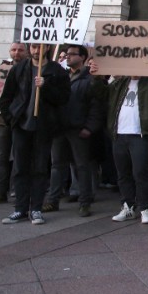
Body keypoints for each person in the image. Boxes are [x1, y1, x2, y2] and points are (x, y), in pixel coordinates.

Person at [90, 62, 148, 225]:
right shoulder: (119, 83)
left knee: (141, 172)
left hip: (140, 135)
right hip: (119, 135)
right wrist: (96, 77)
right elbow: (100, 94)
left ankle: (145, 208)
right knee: (123, 174)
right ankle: (128, 205)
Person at [0, 44, 70, 225]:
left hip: (44, 126)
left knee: (40, 168)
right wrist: (11, 118)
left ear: (47, 48)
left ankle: (36, 208)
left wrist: (45, 87)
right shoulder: (19, 69)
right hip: (22, 125)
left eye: (41, 47)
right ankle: (20, 208)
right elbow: (7, 96)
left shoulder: (57, 71)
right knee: (20, 167)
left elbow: (63, 98)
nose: (37, 51)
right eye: (33, 47)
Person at [43, 45, 104, 217]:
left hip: (78, 129)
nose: (68, 57)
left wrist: (89, 127)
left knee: (81, 166)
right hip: (60, 128)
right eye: (67, 54)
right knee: (57, 166)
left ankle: (85, 202)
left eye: (72, 54)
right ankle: (52, 200)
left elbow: (96, 107)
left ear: (83, 57)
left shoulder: (90, 79)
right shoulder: (61, 76)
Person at [0, 43, 27, 205]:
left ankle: (16, 188)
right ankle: (0, 189)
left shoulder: (31, 69)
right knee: (1, 156)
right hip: (2, 119)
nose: (17, 53)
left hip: (21, 119)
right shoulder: (1, 70)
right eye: (14, 50)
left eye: (20, 50)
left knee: (18, 155)